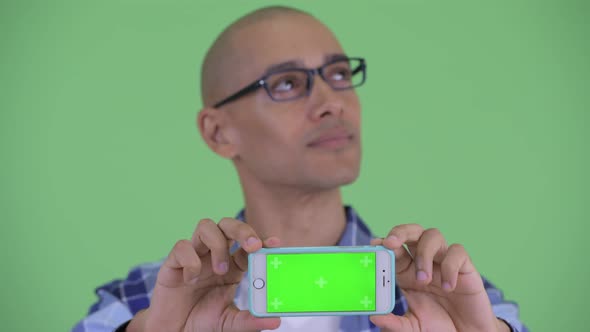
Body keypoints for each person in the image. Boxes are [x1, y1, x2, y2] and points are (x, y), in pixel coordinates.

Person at [73, 6, 527, 332]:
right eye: (288, 83)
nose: (331, 103)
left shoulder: (455, 300)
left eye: (338, 75)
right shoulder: (141, 301)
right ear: (217, 132)